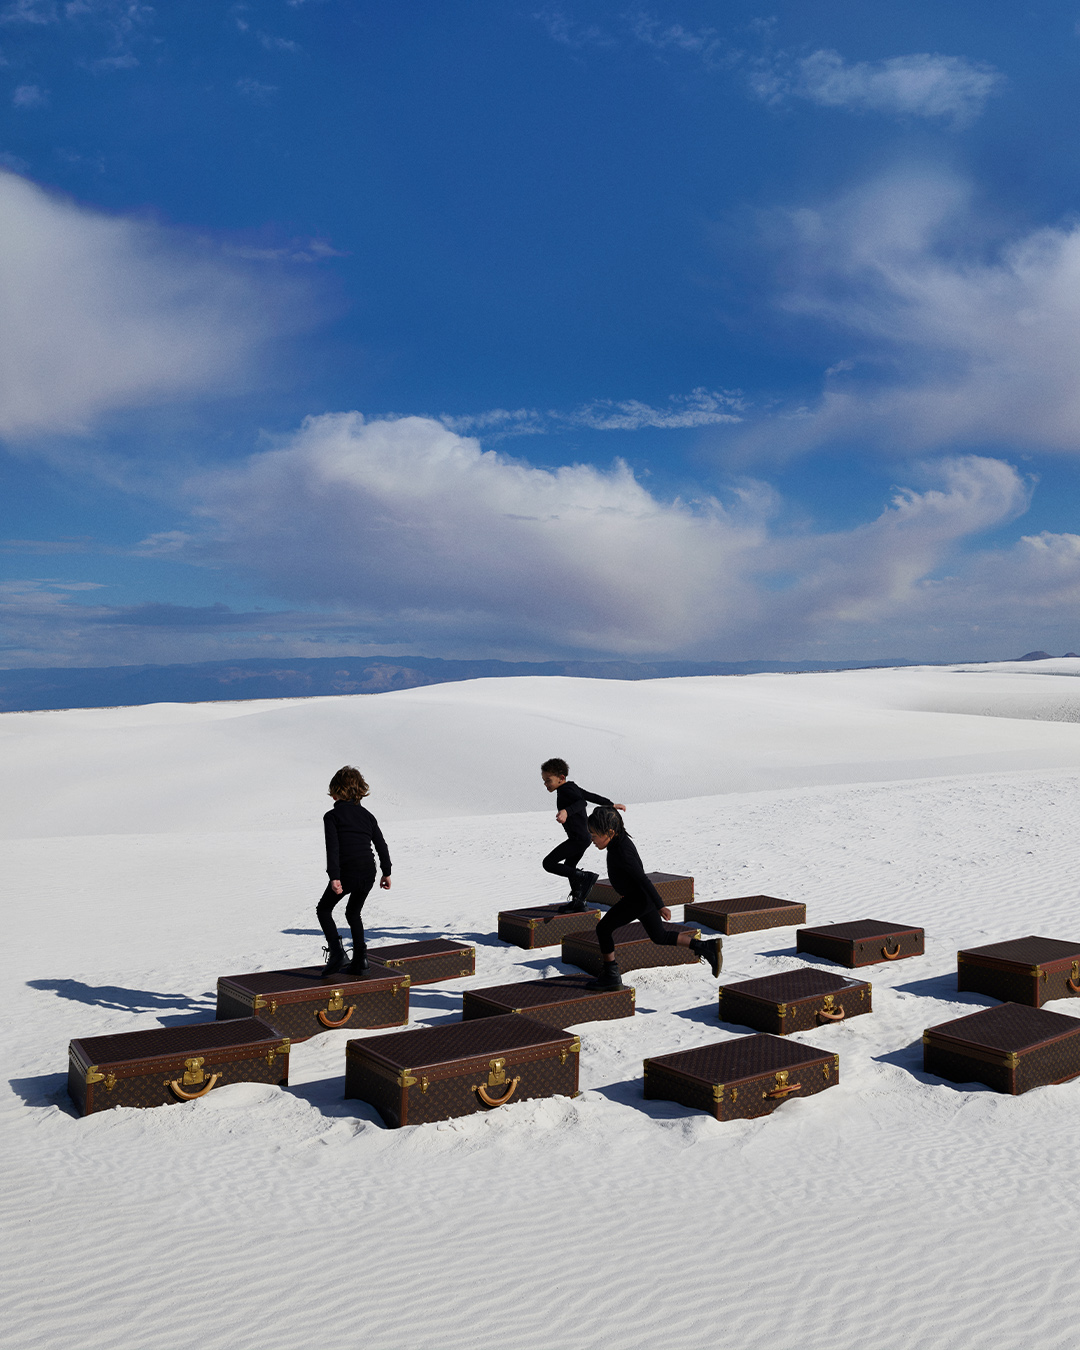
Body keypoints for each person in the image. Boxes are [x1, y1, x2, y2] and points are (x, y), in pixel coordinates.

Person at [584, 806, 720, 990]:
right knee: (660, 936)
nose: (592, 839)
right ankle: (706, 947)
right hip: (641, 899)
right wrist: (611, 807)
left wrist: (660, 905)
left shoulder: (622, 853)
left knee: (603, 929)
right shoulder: (618, 840)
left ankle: (611, 974)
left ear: (610, 831)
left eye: (594, 834)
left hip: (637, 899)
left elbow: (643, 879)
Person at [317, 766, 392, 978]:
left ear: (337, 792)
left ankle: (337, 953)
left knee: (323, 910)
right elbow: (381, 844)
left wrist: (334, 877)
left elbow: (333, 848)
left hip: (347, 872)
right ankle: (361, 960)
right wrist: (386, 872)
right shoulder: (367, 815)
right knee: (353, 913)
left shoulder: (331, 816)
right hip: (369, 872)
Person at [540, 757, 626, 912]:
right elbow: (589, 796)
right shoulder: (570, 787)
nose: (545, 784)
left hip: (579, 838)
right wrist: (610, 804)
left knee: (549, 863)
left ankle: (585, 877)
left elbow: (582, 803)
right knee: (569, 866)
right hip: (582, 837)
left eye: (548, 780)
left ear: (561, 778)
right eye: (544, 781)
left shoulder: (566, 790)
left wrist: (566, 811)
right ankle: (578, 901)